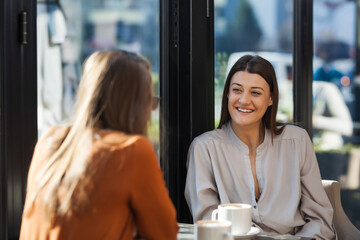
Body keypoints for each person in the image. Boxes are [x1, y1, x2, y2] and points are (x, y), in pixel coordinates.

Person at [20, 50, 179, 240]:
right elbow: (166, 233)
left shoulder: (49, 141)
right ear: (136, 105)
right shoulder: (132, 150)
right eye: (149, 101)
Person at [185, 55, 337, 239]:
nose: (244, 100)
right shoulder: (204, 149)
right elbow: (207, 221)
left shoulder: (297, 141)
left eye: (255, 93)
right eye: (237, 90)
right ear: (227, 94)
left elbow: (320, 220)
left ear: (271, 98)